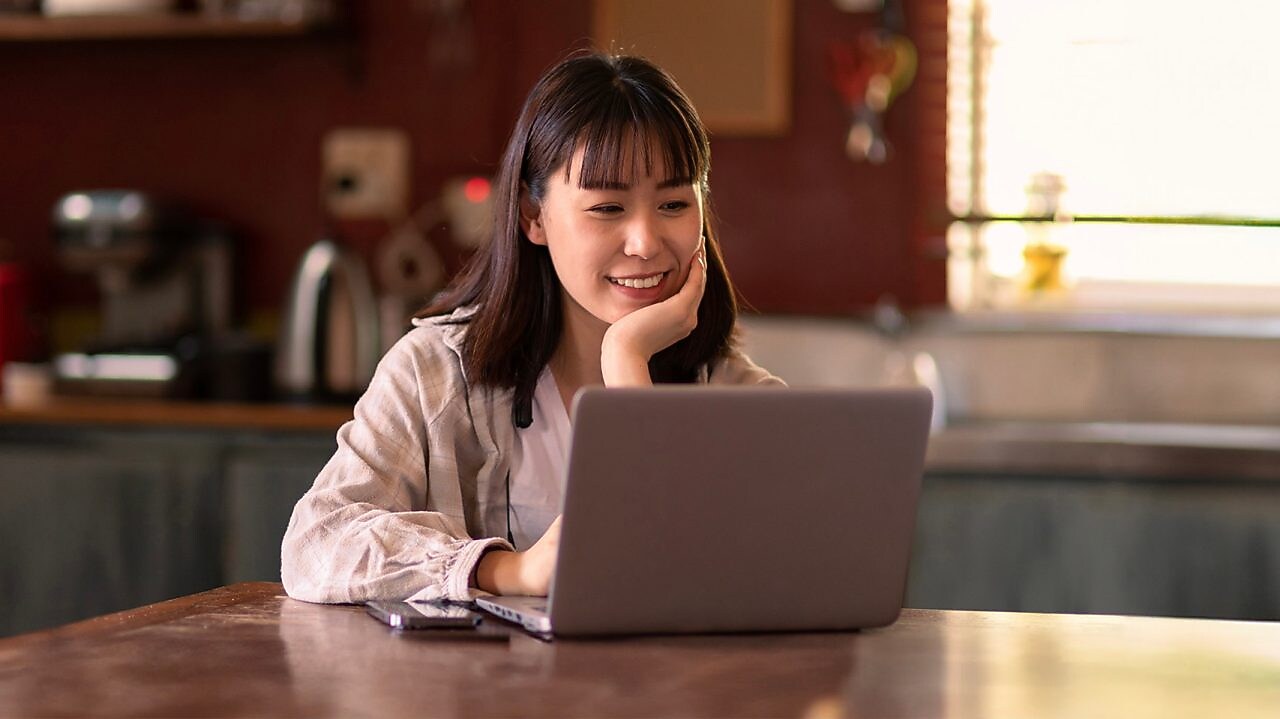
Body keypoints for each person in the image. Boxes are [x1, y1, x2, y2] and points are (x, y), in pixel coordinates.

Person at [280, 52, 783, 604]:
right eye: (608, 207)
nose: (644, 242)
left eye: (673, 203)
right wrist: (506, 571)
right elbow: (314, 543)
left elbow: (733, 580)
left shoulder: (742, 400)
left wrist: (626, 362)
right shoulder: (433, 376)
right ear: (533, 218)